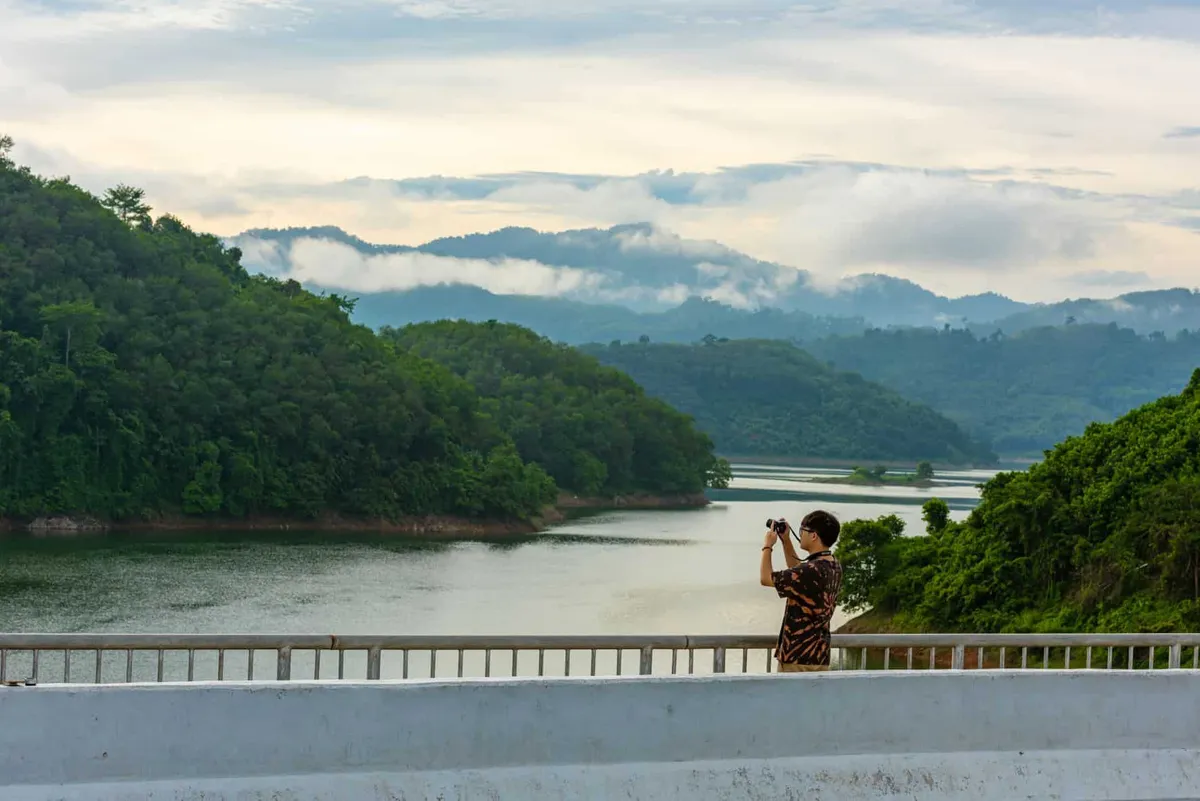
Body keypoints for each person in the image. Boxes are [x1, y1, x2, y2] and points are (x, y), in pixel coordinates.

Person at [759, 510, 843, 672]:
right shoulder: (833, 565)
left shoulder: (811, 570)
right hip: (818, 656)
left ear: (814, 536)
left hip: (797, 657)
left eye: (802, 530)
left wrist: (768, 546)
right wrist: (786, 541)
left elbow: (765, 578)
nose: (800, 534)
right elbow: (799, 575)